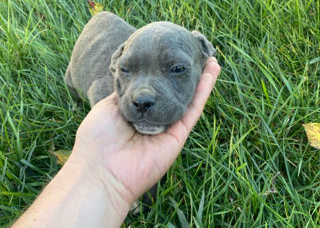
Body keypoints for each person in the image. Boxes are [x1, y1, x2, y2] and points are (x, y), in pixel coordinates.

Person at [12, 57, 221, 228]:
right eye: (126, 70)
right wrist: (97, 171)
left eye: (177, 69)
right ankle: (76, 100)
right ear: (115, 67)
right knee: (72, 80)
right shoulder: (106, 90)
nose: (144, 96)